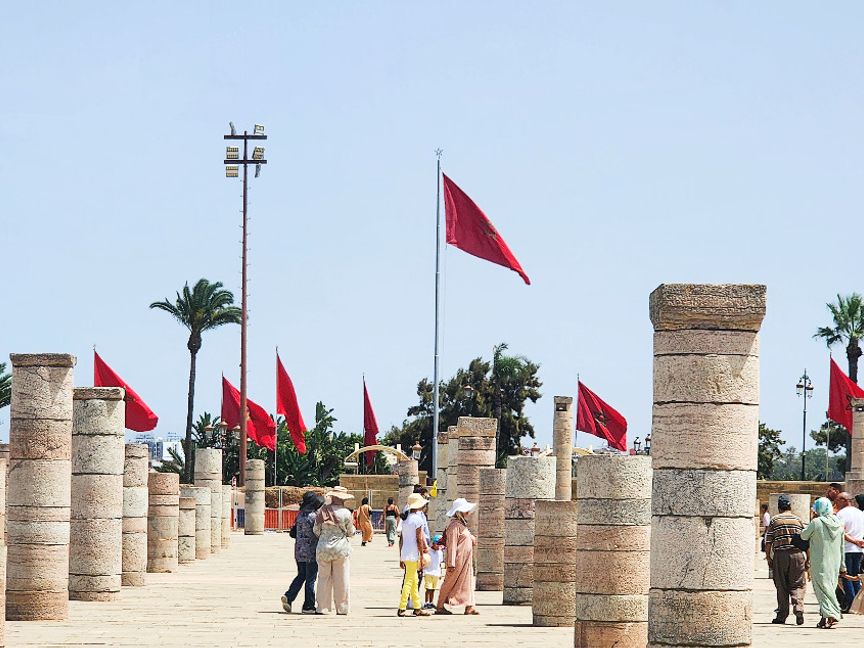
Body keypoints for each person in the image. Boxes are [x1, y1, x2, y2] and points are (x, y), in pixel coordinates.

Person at [800, 497, 845, 628]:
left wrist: (811, 519)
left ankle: (832, 614)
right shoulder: (838, 524)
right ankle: (824, 618)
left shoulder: (816, 522)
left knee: (822, 591)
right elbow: (841, 548)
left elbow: (803, 536)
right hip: (834, 563)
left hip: (820, 562)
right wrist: (842, 566)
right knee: (829, 589)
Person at [764, 494, 806, 625]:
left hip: (781, 555)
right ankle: (798, 607)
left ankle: (782, 615)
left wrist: (769, 558)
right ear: (790, 506)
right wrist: (807, 558)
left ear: (779, 507)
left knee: (781, 585)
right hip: (797, 555)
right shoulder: (798, 520)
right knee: (798, 583)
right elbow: (805, 540)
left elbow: (768, 541)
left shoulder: (774, 520)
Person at [313, 486, 355, 615]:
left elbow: (316, 530)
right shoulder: (346, 513)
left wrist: (325, 536)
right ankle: (342, 608)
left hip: (323, 548)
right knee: (341, 578)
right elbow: (350, 532)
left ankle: (322, 608)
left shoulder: (322, 511)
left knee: (323, 578)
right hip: (341, 549)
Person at [282, 491, 325, 614]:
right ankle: (308, 606)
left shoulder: (300, 516)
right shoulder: (313, 517)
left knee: (301, 575)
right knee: (310, 579)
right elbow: (318, 533)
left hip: (299, 550)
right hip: (311, 552)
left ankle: (289, 596)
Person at [436, 498, 478, 616]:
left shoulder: (461, 525)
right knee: (449, 582)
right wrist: (451, 563)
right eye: (465, 511)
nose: (468, 513)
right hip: (458, 560)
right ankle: (439, 606)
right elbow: (452, 544)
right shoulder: (454, 526)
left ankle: (469, 606)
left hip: (466, 560)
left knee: (467, 582)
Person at [397, 493, 433, 617]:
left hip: (405, 552)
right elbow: (419, 538)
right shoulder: (418, 519)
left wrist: (400, 557)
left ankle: (417, 607)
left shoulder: (405, 519)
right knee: (409, 581)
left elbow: (402, 539)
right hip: (413, 554)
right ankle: (402, 608)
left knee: (413, 580)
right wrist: (422, 554)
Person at [835, 491, 864, 612]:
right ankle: (857, 603)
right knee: (855, 576)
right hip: (859, 549)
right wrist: (858, 542)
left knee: (846, 575)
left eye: (837, 500)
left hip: (847, 549)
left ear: (844, 500)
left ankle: (852, 601)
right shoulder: (860, 513)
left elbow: (841, 532)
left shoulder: (841, 514)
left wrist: (853, 542)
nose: (835, 502)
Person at [424, 534, 444, 609]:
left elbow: (440, 563)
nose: (438, 546)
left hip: (436, 573)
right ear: (433, 543)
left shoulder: (440, 552)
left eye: (440, 545)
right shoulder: (428, 551)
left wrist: (440, 573)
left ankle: (431, 602)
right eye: (437, 544)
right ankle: (426, 602)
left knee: (433, 589)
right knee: (428, 589)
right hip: (428, 572)